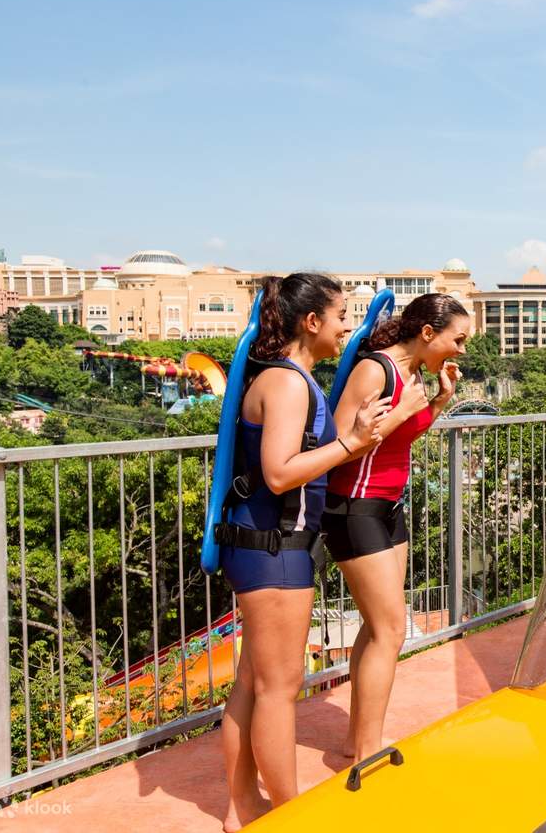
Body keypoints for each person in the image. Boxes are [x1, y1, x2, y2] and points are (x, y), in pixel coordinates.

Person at [219, 273, 391, 832]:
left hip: (266, 547)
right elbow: (277, 473)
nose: (347, 327)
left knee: (253, 684)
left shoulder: (288, 377)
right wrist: (351, 443)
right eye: (341, 315)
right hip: (273, 550)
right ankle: (289, 815)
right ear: (311, 321)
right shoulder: (289, 384)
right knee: (277, 690)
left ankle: (242, 807)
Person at [322, 292, 470, 762]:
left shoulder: (415, 375)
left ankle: (356, 739)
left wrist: (439, 402)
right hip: (353, 506)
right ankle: (369, 751)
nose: (461, 351)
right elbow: (342, 441)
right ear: (428, 333)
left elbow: (399, 438)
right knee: (390, 630)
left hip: (389, 505)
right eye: (458, 340)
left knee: (377, 626)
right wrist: (406, 410)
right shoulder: (376, 369)